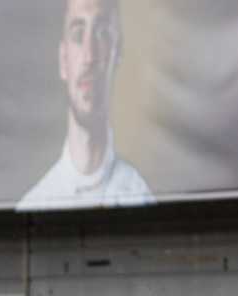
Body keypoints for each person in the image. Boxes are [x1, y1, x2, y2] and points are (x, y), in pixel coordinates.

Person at [17, 0, 153, 212]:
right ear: (63, 61)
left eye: (102, 34)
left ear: (117, 54)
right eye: (78, 34)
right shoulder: (34, 207)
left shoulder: (142, 200)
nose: (90, 56)